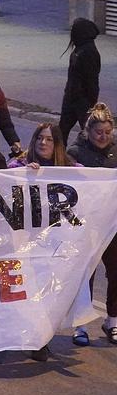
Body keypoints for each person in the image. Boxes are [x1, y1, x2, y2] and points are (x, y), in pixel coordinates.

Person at [66, 103, 116, 346]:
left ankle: (113, 321)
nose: (104, 137)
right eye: (99, 132)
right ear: (88, 132)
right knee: (85, 274)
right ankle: (81, 325)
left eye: (108, 132)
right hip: (85, 226)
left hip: (113, 224)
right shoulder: (75, 153)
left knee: (116, 272)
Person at [60, 18, 101, 141]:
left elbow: (92, 80)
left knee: (89, 131)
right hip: (72, 97)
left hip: (83, 100)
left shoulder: (88, 52)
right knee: (62, 131)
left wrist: (92, 103)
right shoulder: (80, 49)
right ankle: (59, 157)